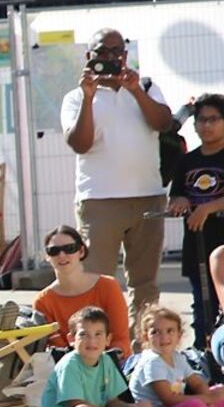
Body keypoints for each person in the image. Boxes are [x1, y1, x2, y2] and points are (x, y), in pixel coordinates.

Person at [62, 29, 175, 338]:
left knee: (145, 282)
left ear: (125, 55)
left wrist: (136, 90)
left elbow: (163, 122)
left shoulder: (147, 87)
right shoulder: (75, 97)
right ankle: (101, 349)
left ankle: (141, 349)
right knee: (96, 282)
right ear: (90, 57)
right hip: (99, 200)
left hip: (148, 196)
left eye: (117, 52)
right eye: (103, 52)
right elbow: (80, 143)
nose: (111, 58)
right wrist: (88, 97)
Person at [38, 307, 164, 407]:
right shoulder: (69, 365)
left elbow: (112, 401)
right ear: (71, 339)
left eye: (98, 334)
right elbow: (75, 405)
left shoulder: (106, 360)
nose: (92, 341)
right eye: (84, 335)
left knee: (145, 406)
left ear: (108, 339)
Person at [166, 93, 224, 344]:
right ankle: (206, 357)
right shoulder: (186, 161)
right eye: (201, 120)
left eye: (213, 119)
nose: (207, 126)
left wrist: (209, 207)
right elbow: (176, 195)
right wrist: (179, 201)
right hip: (197, 247)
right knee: (202, 307)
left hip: (222, 249)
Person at [32, 224, 132, 357]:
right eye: (54, 251)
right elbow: (57, 348)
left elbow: (120, 339)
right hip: (71, 369)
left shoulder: (108, 286)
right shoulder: (43, 301)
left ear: (81, 251)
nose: (62, 255)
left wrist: (104, 363)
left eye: (69, 249)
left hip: (113, 364)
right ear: (47, 256)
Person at [129, 306, 224, 407]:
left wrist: (209, 400)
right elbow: (168, 399)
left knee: (220, 389)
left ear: (179, 335)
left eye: (170, 331)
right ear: (146, 337)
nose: (164, 337)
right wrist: (207, 399)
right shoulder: (152, 362)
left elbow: (197, 383)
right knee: (194, 406)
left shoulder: (177, 357)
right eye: (155, 332)